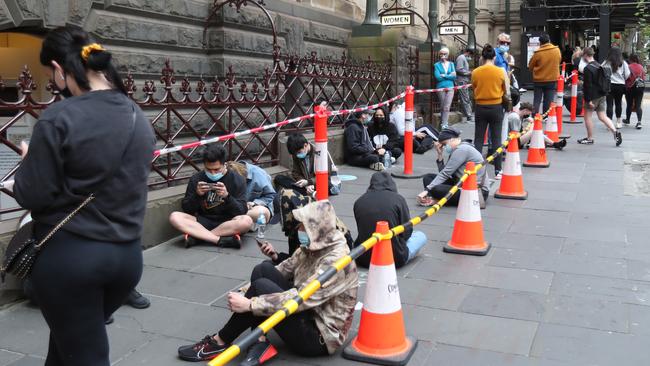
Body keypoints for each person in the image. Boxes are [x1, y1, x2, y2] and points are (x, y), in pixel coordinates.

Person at [10, 26, 155, 366]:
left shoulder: (59, 117)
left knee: (84, 353)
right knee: (66, 346)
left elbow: (31, 195)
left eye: (50, 74)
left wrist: (29, 160)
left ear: (60, 70)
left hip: (71, 261)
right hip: (127, 258)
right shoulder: (138, 116)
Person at [177, 201, 359, 364]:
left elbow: (302, 299)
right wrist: (245, 291)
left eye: (303, 226)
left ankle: (220, 341)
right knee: (262, 270)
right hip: (307, 312)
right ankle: (260, 340)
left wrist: (250, 304)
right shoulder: (314, 244)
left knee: (260, 288)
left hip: (319, 336)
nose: (299, 229)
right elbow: (284, 268)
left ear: (316, 228)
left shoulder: (337, 261)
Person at [169, 144, 250, 248]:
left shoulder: (237, 179)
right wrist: (197, 195)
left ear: (224, 164)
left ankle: (198, 237)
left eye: (216, 170)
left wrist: (227, 196)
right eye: (208, 169)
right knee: (174, 217)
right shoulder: (196, 178)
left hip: (228, 222)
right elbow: (187, 209)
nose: (212, 173)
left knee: (246, 221)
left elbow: (242, 211)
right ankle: (218, 240)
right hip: (202, 221)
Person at [353, 172, 427, 268]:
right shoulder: (398, 199)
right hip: (394, 258)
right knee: (420, 236)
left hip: (364, 258)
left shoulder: (359, 201)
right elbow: (407, 231)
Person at [417, 127, 488, 207]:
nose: (444, 147)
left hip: (475, 191)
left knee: (436, 188)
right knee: (428, 177)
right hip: (460, 183)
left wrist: (427, 190)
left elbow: (445, 174)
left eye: (444, 144)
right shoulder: (459, 148)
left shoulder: (462, 150)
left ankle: (436, 200)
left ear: (451, 139)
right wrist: (440, 154)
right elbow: (445, 173)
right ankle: (434, 198)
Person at [471, 44, 508, 178]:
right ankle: (498, 170)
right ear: (494, 57)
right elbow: (506, 90)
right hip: (496, 106)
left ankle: (475, 168)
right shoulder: (501, 71)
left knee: (479, 139)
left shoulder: (476, 72)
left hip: (480, 106)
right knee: (497, 139)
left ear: (482, 57)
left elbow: (474, 87)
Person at [578, 47, 622, 146]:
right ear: (592, 54)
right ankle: (615, 132)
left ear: (585, 55)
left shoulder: (588, 68)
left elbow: (588, 86)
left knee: (587, 117)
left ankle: (589, 138)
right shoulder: (599, 65)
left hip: (592, 97)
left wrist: (588, 100)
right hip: (602, 95)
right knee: (602, 116)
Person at [273, 133, 335, 198]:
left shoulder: (320, 153)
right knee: (279, 178)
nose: (297, 155)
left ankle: (308, 193)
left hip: (319, 183)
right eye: (295, 154)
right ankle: (310, 194)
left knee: (325, 184)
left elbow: (326, 176)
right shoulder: (296, 155)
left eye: (299, 152)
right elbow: (295, 173)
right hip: (305, 185)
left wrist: (309, 182)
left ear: (305, 145)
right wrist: (303, 183)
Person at [528, 33, 562, 115]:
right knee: (549, 99)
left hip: (538, 80)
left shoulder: (538, 53)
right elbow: (559, 60)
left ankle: (534, 115)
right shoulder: (556, 50)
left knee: (537, 99)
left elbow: (530, 66)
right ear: (549, 40)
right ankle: (545, 116)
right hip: (552, 79)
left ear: (540, 43)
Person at [602, 47, 631, 128]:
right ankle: (618, 122)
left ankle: (609, 123)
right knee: (618, 103)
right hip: (620, 86)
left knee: (609, 104)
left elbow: (601, 70)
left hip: (609, 85)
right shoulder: (623, 63)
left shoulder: (606, 62)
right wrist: (622, 78)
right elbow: (627, 74)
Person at [434, 47, 456, 129]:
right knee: (443, 106)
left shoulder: (451, 64)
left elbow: (454, 77)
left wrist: (445, 75)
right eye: (441, 54)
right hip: (441, 87)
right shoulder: (436, 65)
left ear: (448, 55)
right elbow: (438, 77)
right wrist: (449, 75)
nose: (442, 55)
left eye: (444, 54)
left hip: (450, 87)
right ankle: (443, 123)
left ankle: (444, 124)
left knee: (447, 107)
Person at [625, 53, 646, 129]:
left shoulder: (628, 66)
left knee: (629, 104)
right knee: (638, 105)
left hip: (630, 88)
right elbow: (643, 77)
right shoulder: (641, 67)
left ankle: (627, 119)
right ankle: (639, 122)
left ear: (630, 59)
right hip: (640, 88)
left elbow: (626, 77)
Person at [456, 48, 475, 122]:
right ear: (468, 53)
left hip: (464, 81)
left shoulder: (464, 58)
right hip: (461, 81)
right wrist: (469, 72)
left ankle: (468, 114)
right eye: (470, 55)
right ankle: (469, 115)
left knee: (466, 98)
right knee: (465, 98)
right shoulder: (461, 58)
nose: (470, 57)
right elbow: (459, 69)